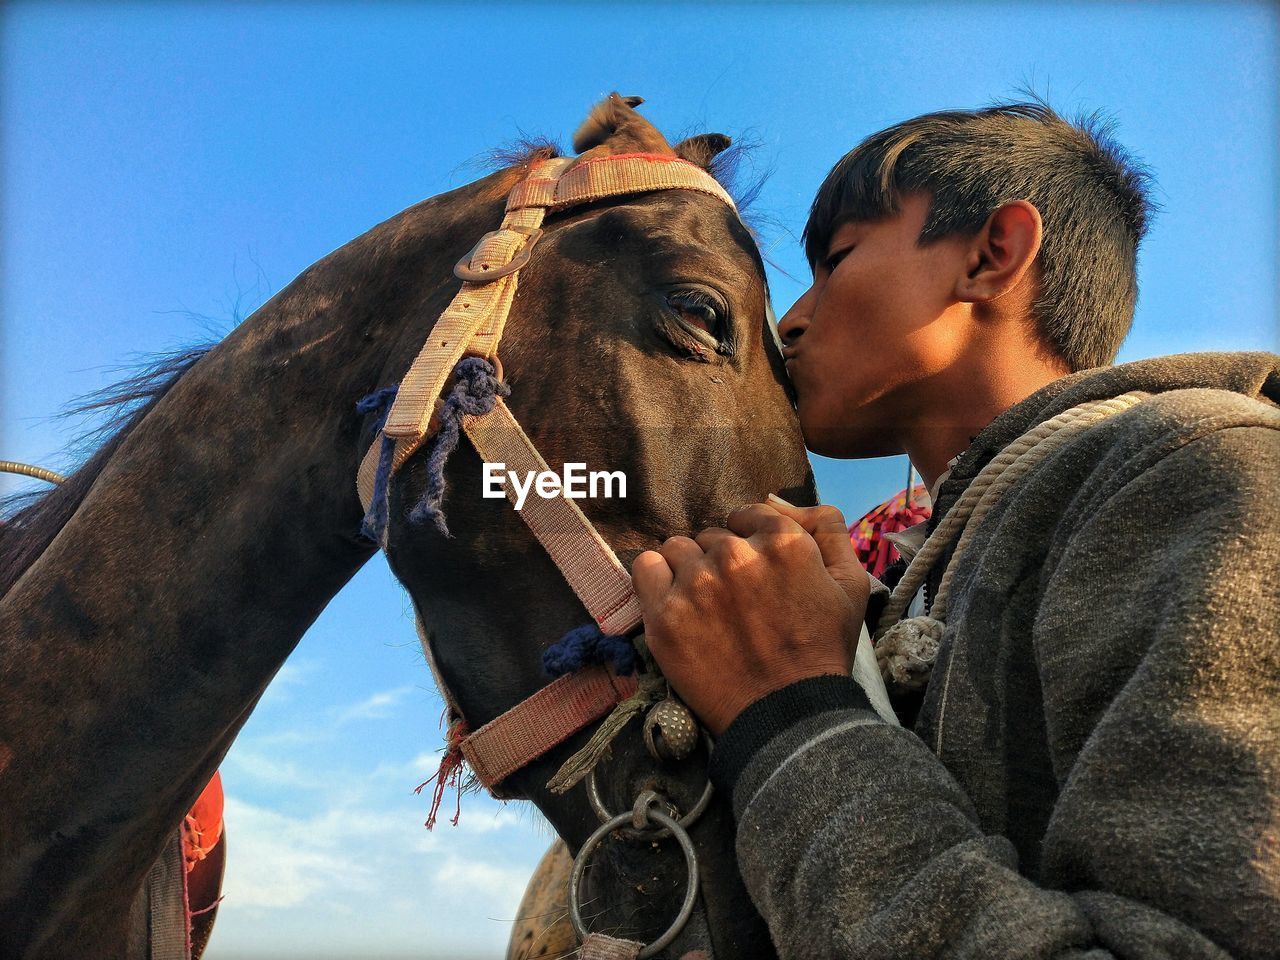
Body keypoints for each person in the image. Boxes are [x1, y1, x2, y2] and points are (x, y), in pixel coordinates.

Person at [632, 102, 1279, 958]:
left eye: (835, 261)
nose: (791, 319)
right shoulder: (920, 572)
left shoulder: (1200, 470)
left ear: (991, 254)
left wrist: (789, 713)